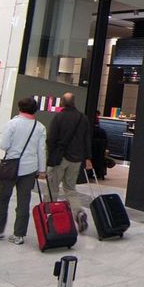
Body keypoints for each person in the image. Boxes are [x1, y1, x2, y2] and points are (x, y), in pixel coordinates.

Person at [0, 97, 47, 245]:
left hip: (10, 168)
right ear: (35, 109)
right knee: (24, 201)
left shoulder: (12, 124)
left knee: (2, 198)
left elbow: (4, 145)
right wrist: (42, 169)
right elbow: (41, 150)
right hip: (29, 169)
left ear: (20, 108)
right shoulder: (40, 127)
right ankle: (19, 235)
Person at [46, 92, 92, 232]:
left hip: (60, 158)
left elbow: (51, 138)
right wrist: (87, 158)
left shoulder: (59, 117)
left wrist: (51, 155)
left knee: (52, 188)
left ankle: (51, 217)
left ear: (62, 103)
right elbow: (87, 139)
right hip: (76, 159)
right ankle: (78, 212)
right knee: (70, 188)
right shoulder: (82, 118)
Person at [91, 113, 108, 180]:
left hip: (92, 152)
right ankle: (99, 174)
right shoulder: (102, 131)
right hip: (100, 153)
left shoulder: (91, 131)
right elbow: (106, 141)